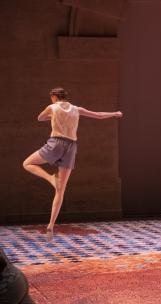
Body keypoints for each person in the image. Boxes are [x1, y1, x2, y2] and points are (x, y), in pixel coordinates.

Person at [22, 88, 123, 240]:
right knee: (60, 190)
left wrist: (53, 116)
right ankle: (50, 226)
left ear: (54, 97)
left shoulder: (52, 107)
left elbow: (39, 118)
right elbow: (99, 115)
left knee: (27, 163)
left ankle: (50, 178)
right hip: (71, 147)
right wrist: (115, 113)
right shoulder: (77, 109)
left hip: (56, 143)